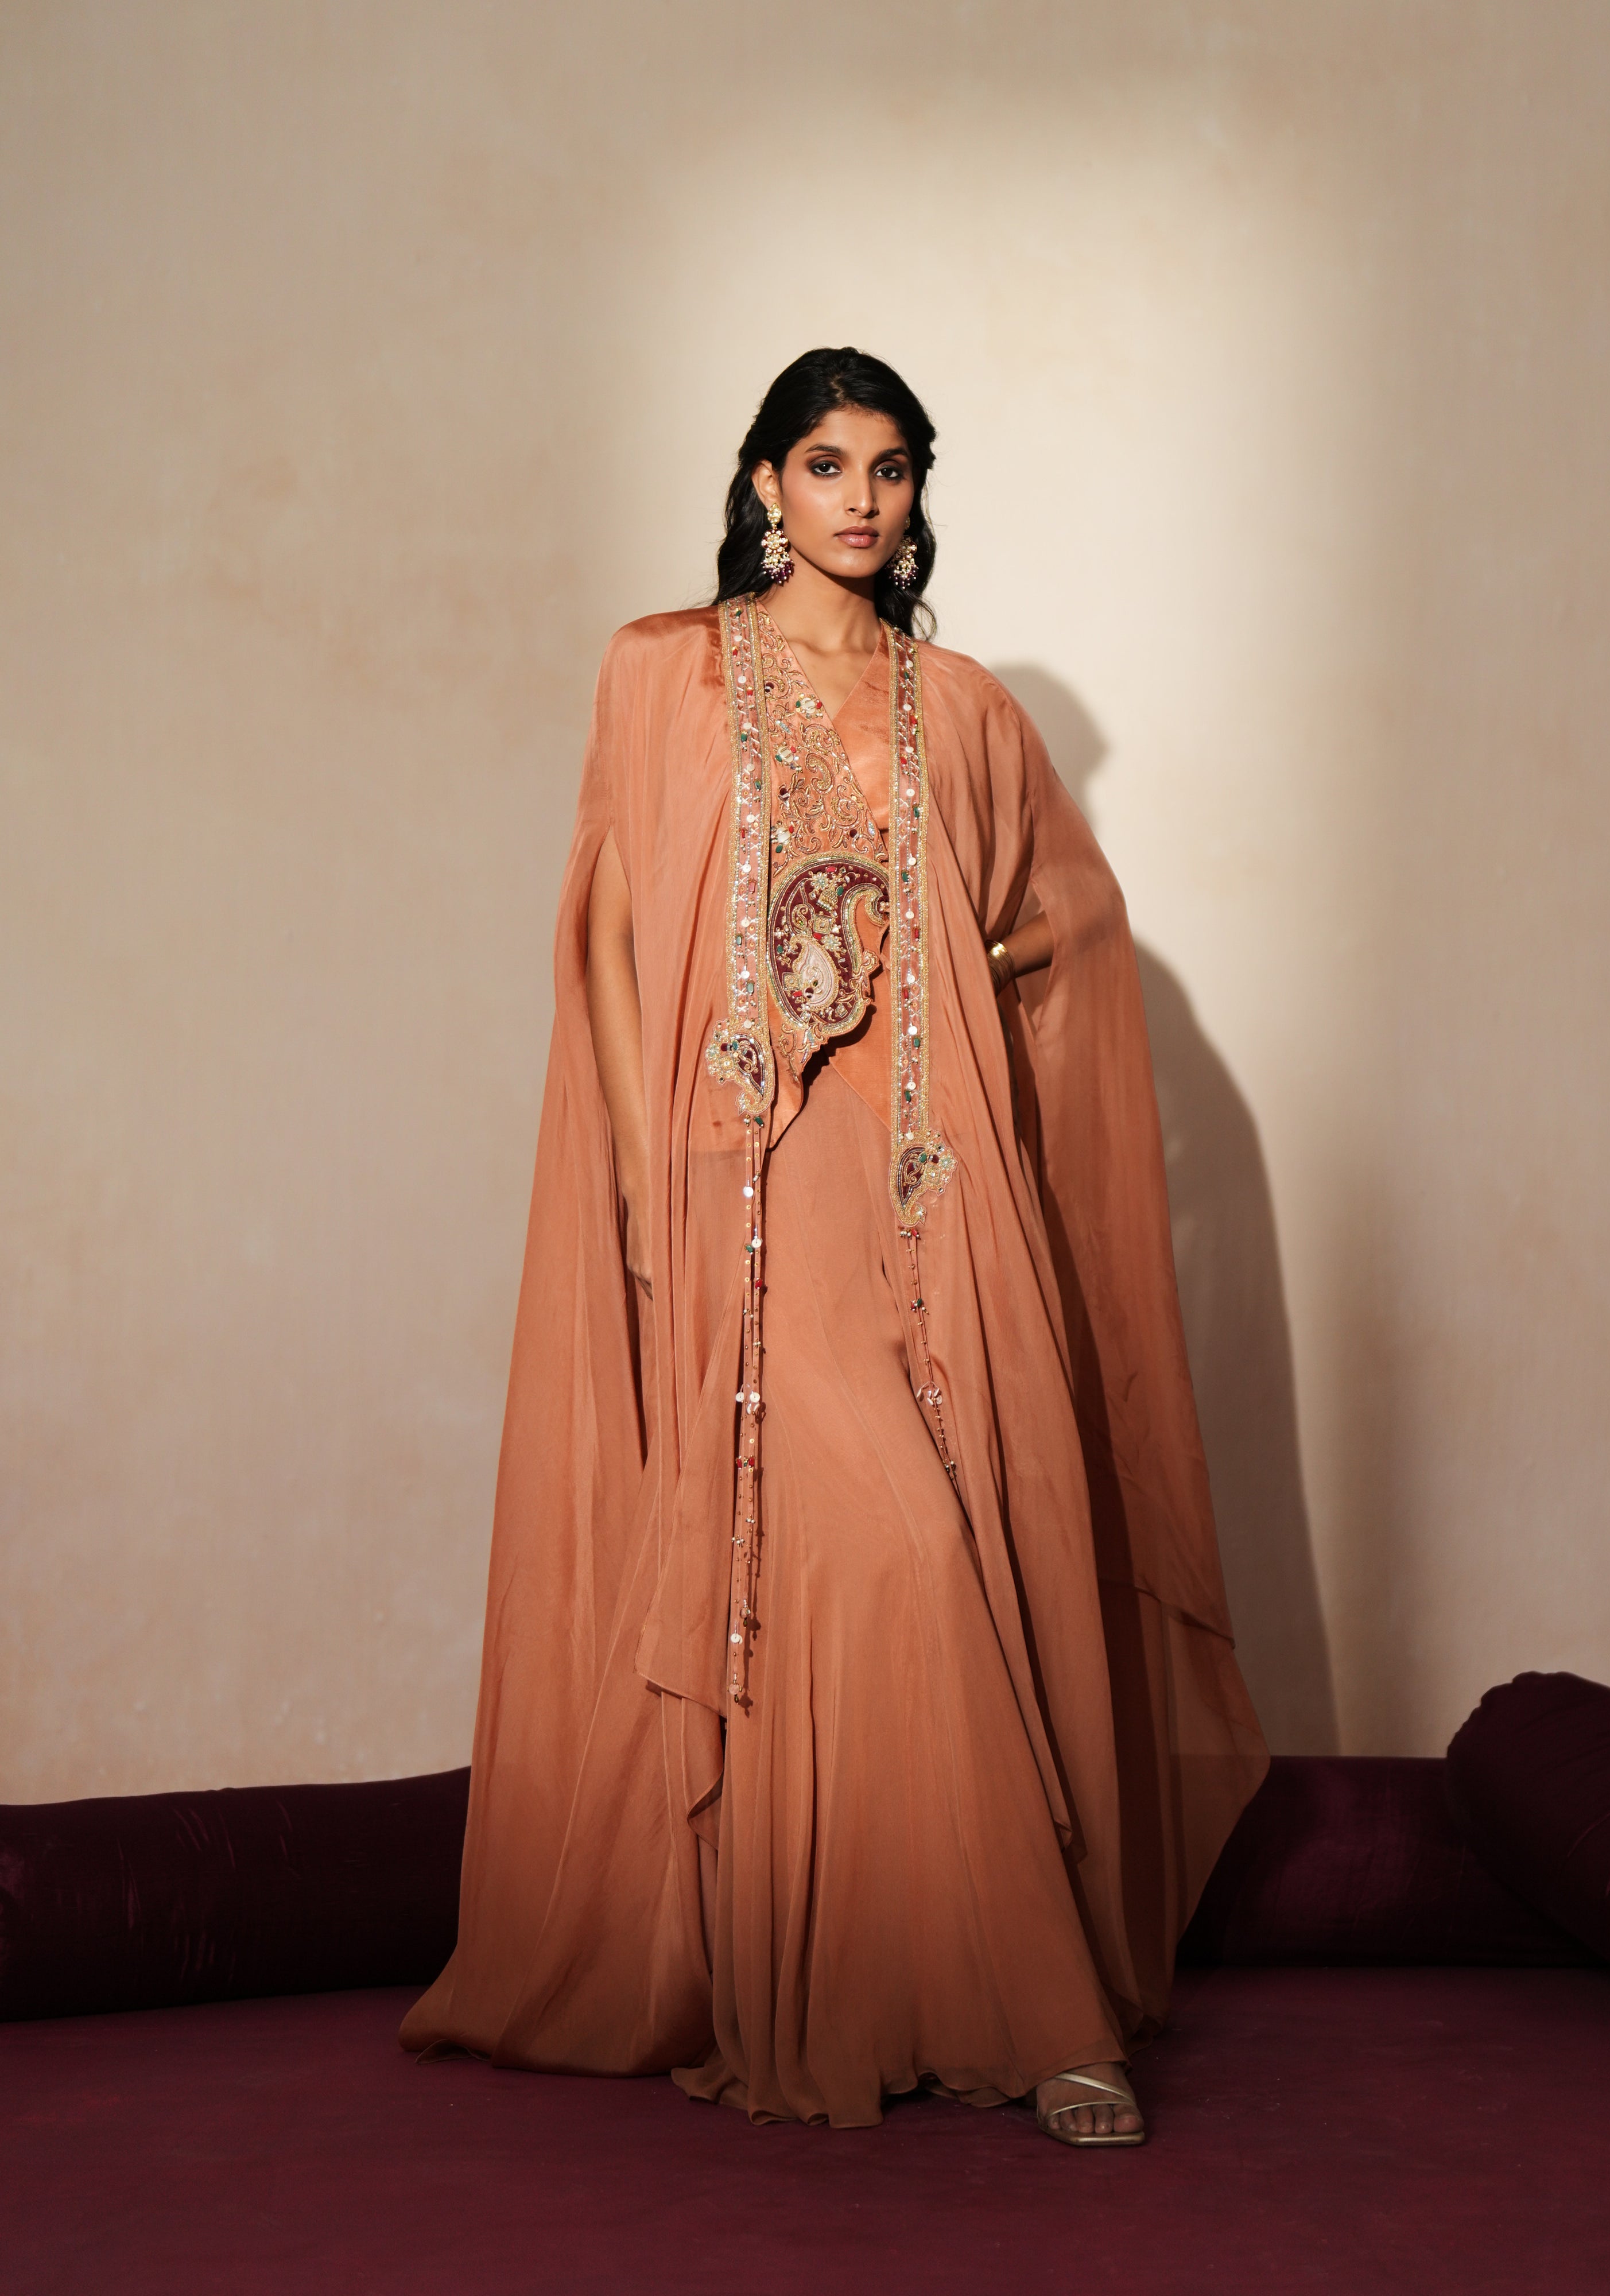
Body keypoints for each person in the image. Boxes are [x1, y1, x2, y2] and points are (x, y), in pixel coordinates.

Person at [401, 348, 1267, 2146]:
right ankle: (1014, 2014)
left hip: (934, 1185)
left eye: (889, 468)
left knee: (945, 1535)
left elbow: (1067, 929)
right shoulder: (663, 671)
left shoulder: (954, 704)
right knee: (874, 1540)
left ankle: (996, 1995)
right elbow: (620, 936)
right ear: (761, 483)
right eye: (824, 464)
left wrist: (955, 977)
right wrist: (648, 1192)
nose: (860, 499)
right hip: (747, 1184)